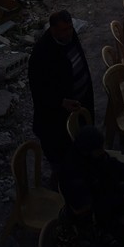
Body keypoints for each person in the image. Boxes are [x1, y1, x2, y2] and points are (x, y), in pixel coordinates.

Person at [28, 10, 94, 165]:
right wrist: (61, 101)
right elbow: (39, 90)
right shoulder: (41, 54)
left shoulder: (70, 37)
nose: (68, 33)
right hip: (57, 115)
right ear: (53, 30)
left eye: (70, 28)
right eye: (63, 30)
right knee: (63, 153)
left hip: (82, 100)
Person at [59, 125, 124, 238]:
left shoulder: (94, 155)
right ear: (87, 152)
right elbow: (91, 209)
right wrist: (121, 200)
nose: (102, 151)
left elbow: (110, 165)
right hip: (94, 219)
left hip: (108, 195)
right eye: (99, 149)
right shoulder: (74, 177)